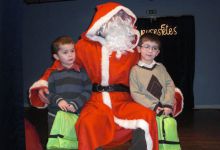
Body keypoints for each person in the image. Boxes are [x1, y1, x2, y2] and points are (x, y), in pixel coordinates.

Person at [29, 2, 183, 150]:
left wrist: (171, 98)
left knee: (147, 118)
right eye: (115, 19)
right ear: (102, 22)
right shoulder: (85, 47)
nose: (120, 22)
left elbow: (153, 73)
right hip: (95, 101)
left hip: (125, 101)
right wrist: (43, 85)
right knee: (87, 123)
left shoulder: (133, 51)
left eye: (124, 19)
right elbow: (60, 65)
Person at [46, 35, 92, 132]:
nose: (70, 55)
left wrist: (76, 103)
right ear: (56, 57)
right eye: (65, 52)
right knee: (57, 144)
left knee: (74, 142)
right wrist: (58, 100)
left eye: (72, 51)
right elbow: (49, 92)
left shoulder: (82, 72)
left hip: (76, 115)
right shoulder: (53, 74)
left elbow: (88, 91)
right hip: (55, 115)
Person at [130, 33, 175, 116]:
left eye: (154, 48)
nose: (150, 51)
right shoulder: (135, 70)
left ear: (157, 53)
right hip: (147, 111)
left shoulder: (161, 67)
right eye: (146, 46)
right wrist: (153, 106)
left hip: (165, 109)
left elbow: (170, 85)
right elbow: (135, 93)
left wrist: (168, 104)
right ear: (139, 49)